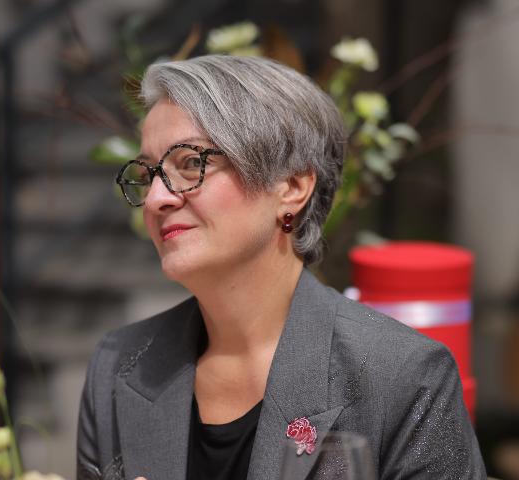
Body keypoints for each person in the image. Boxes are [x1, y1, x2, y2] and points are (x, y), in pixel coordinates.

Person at [77, 55, 486, 480]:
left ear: (291, 187)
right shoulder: (119, 364)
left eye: (191, 163)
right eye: (148, 175)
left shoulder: (402, 376)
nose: (157, 199)